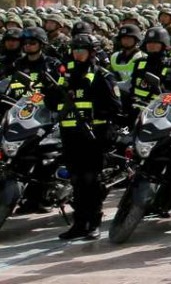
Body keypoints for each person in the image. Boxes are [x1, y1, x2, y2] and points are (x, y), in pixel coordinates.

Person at [43, 34, 122, 240]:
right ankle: (79, 223)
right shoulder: (64, 76)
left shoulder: (102, 76)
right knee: (76, 180)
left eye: (82, 50)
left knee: (91, 180)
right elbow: (50, 104)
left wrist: (96, 113)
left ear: (92, 52)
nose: (77, 54)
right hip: (70, 135)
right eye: (75, 50)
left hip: (93, 136)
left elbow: (115, 107)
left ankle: (93, 223)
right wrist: (55, 90)